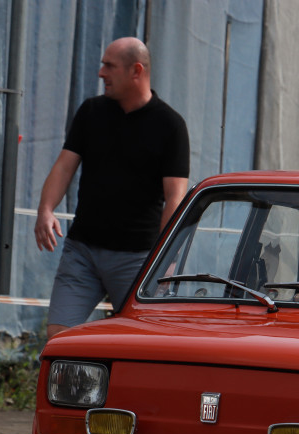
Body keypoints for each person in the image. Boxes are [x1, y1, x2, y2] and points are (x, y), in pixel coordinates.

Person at [34, 37, 190, 339]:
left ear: (136, 71)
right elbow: (65, 165)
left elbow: (175, 198)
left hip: (138, 260)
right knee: (58, 342)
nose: (101, 73)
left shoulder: (170, 125)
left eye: (109, 66)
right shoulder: (91, 112)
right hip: (82, 252)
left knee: (141, 347)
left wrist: (165, 260)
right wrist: (45, 209)